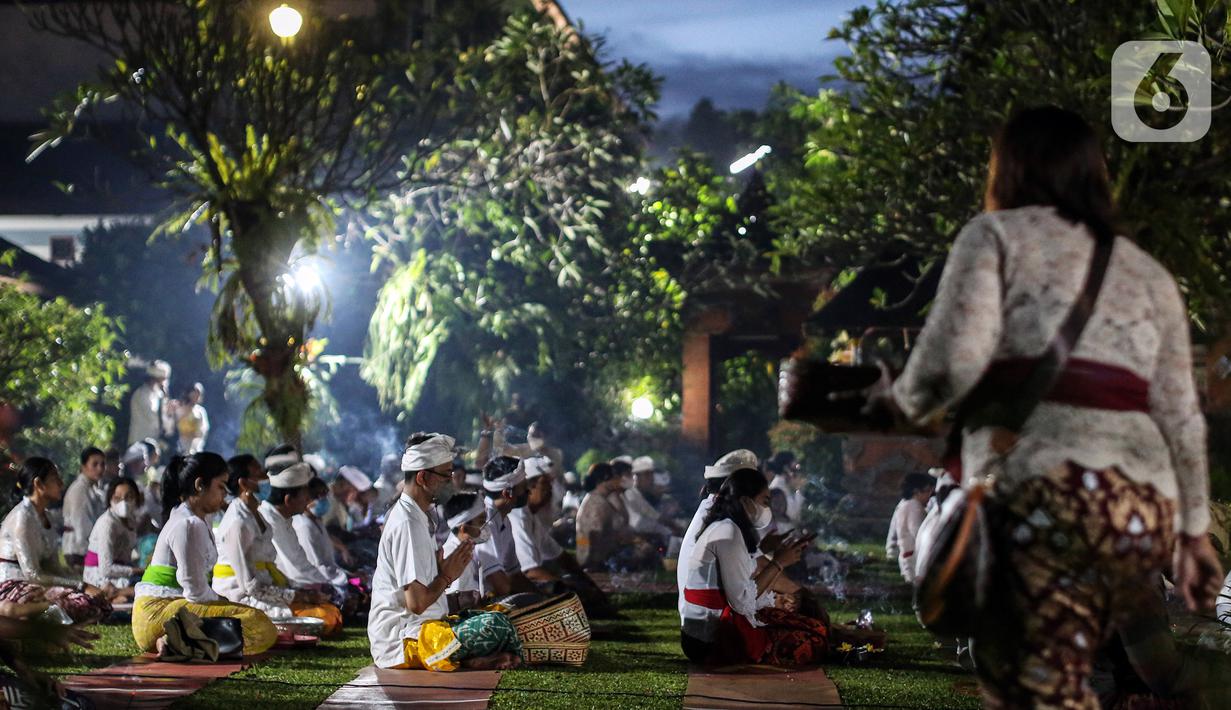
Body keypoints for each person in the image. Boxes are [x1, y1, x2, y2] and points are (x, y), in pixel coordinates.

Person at [874, 106, 1221, 707]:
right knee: (1145, 663)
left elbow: (944, 367)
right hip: (1131, 507)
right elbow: (1182, 417)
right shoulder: (1147, 273)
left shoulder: (995, 239)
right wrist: (1193, 536)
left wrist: (898, 398)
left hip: (1039, 495)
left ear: (1007, 170)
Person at [368, 432, 522, 671]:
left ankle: (466, 658)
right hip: (403, 641)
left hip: (427, 628)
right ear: (422, 477)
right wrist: (447, 576)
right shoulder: (408, 523)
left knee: (503, 615)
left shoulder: (418, 516)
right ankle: (458, 657)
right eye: (445, 475)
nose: (451, 481)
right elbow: (417, 603)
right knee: (496, 625)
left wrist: (449, 587)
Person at [131, 452, 277, 655]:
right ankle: (177, 640)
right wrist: (221, 601)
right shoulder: (188, 523)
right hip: (156, 614)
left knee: (253, 618)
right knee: (259, 624)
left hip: (172, 610)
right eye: (220, 486)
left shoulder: (196, 520)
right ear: (200, 485)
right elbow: (195, 591)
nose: (225, 494)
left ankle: (179, 641)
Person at [679, 468, 824, 666]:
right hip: (709, 642)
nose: (768, 508)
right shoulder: (727, 533)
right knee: (811, 637)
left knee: (806, 626)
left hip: (709, 633)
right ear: (746, 501)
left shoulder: (728, 528)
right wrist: (779, 562)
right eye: (765, 501)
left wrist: (776, 559)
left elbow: (747, 576)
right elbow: (742, 601)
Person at [257, 462, 343, 635]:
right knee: (327, 617)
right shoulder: (270, 520)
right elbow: (296, 566)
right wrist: (321, 589)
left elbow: (299, 561)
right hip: (263, 594)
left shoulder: (284, 518)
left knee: (332, 614)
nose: (308, 501)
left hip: (283, 590)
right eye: (306, 496)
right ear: (288, 499)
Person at [678, 449, 759, 620]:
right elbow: (741, 600)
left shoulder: (711, 511)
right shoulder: (724, 523)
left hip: (700, 621)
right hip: (711, 627)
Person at [0, 458, 85, 590]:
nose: (61, 484)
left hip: (36, 587)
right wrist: (79, 585)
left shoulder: (47, 517)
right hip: (12, 586)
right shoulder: (22, 518)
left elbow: (53, 567)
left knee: (90, 600)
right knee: (75, 604)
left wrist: (80, 584)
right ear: (38, 484)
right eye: (55, 478)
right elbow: (32, 575)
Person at [294, 476, 362, 617]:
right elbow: (316, 566)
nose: (323, 499)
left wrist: (349, 576)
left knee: (362, 586)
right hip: (314, 582)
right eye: (318, 495)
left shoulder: (316, 522)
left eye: (325, 494)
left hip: (330, 577)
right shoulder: (303, 526)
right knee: (354, 593)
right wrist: (348, 579)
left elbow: (329, 562)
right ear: (307, 498)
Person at [477, 456, 536, 596]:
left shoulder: (503, 520)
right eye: (523, 487)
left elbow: (514, 574)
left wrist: (544, 598)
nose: (528, 491)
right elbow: (500, 585)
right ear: (507, 493)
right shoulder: (484, 521)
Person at [575, 462, 649, 572]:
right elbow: (594, 535)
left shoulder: (600, 499)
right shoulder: (597, 502)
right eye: (615, 477)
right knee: (642, 552)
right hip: (594, 558)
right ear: (605, 480)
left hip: (601, 553)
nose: (619, 479)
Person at [83, 476, 143, 601]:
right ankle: (116, 594)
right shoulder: (108, 523)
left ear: (136, 498)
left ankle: (120, 595)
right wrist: (136, 570)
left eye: (129, 497)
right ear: (110, 499)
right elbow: (106, 569)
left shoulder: (131, 521)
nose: (124, 502)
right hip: (99, 576)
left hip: (120, 573)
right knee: (143, 588)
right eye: (117, 498)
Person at [61, 447, 108, 567]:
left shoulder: (93, 489)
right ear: (83, 467)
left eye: (102, 464)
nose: (100, 469)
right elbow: (82, 526)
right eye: (95, 464)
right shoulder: (80, 490)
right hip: (78, 552)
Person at [441, 492, 489, 608]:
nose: (486, 525)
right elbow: (459, 604)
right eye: (481, 521)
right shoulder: (454, 555)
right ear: (464, 528)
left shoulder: (468, 550)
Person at [885, 472, 934, 584]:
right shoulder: (914, 506)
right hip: (914, 558)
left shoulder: (903, 505)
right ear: (916, 492)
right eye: (927, 491)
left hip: (907, 557)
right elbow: (918, 532)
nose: (930, 496)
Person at [623, 456, 674, 540]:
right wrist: (666, 530)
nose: (651, 479)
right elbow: (637, 522)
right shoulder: (629, 494)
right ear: (636, 476)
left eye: (651, 475)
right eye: (647, 475)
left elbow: (653, 514)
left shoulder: (638, 494)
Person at [127, 360, 174, 447]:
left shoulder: (160, 396)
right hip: (138, 443)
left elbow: (168, 430)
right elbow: (153, 418)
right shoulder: (141, 394)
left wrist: (170, 412)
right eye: (162, 379)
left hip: (154, 445)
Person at [766, 452, 806, 524]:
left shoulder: (783, 485)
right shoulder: (776, 490)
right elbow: (793, 514)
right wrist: (799, 489)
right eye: (795, 468)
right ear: (786, 469)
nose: (797, 473)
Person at [175, 383, 210, 455]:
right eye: (194, 394)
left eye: (198, 394)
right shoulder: (179, 407)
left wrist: (196, 432)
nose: (196, 396)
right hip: (179, 443)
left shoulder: (200, 411)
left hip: (194, 445)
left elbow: (204, 428)